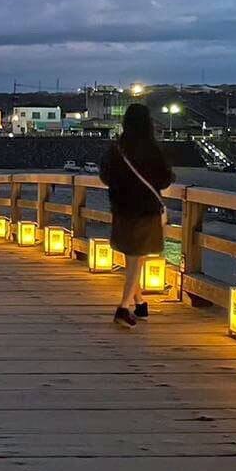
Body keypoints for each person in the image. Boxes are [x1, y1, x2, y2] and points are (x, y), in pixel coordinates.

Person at [99, 103, 174, 329]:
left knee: (134, 256)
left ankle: (139, 301)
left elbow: (105, 176)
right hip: (145, 210)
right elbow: (164, 179)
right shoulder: (152, 149)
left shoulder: (116, 149)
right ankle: (123, 308)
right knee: (136, 256)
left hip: (122, 208)